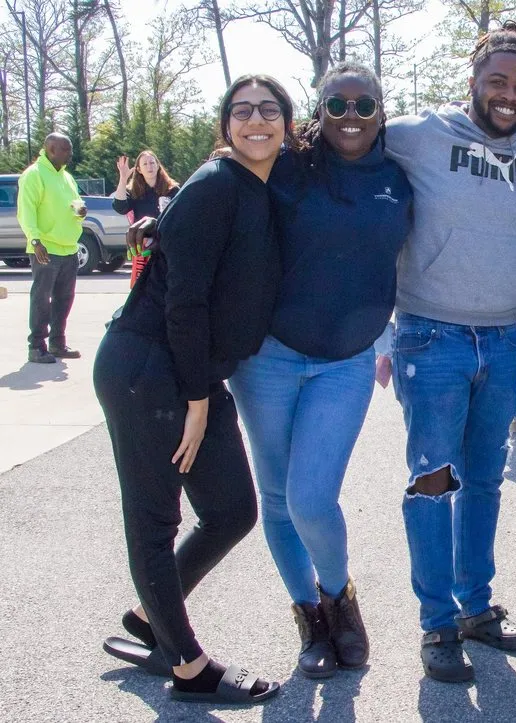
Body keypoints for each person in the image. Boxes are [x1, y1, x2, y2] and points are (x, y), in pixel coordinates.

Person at [93, 74, 293, 706]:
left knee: (233, 510)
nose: (256, 120)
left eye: (270, 110)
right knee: (155, 520)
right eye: (242, 111)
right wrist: (198, 401)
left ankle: (155, 619)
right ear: (225, 124)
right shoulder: (213, 187)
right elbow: (185, 303)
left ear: (287, 124)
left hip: (191, 371)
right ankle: (187, 667)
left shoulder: (259, 188)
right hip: (147, 367)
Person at [385, 21, 516, 682]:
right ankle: (436, 623)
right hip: (432, 336)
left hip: (505, 337)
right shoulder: (420, 134)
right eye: (497, 83)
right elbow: (340, 138)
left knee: (485, 480)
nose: (509, 96)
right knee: (435, 480)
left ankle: (475, 608)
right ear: (473, 84)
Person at [227, 62, 412, 679]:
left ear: (381, 111)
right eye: (338, 105)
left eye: (364, 106)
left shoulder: (401, 177)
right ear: (320, 109)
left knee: (311, 497)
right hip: (268, 359)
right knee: (278, 500)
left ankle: (340, 597)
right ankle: (309, 616)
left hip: (347, 361)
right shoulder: (286, 166)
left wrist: (390, 333)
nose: (351, 118)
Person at [18, 133, 86, 364]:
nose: (70, 153)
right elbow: (26, 211)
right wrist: (35, 241)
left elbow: (74, 206)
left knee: (64, 298)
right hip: (45, 248)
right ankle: (36, 346)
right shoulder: (34, 175)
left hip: (68, 247)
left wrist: (80, 214)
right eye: (65, 149)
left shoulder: (67, 178)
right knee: (41, 297)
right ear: (50, 150)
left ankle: (57, 343)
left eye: (70, 148)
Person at [112, 150, 180, 287]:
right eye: (145, 164)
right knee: (142, 287)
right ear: (139, 169)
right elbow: (120, 207)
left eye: (152, 162)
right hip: (142, 245)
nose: (149, 166)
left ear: (158, 165)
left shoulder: (172, 189)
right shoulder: (134, 191)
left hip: (166, 244)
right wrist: (123, 178)